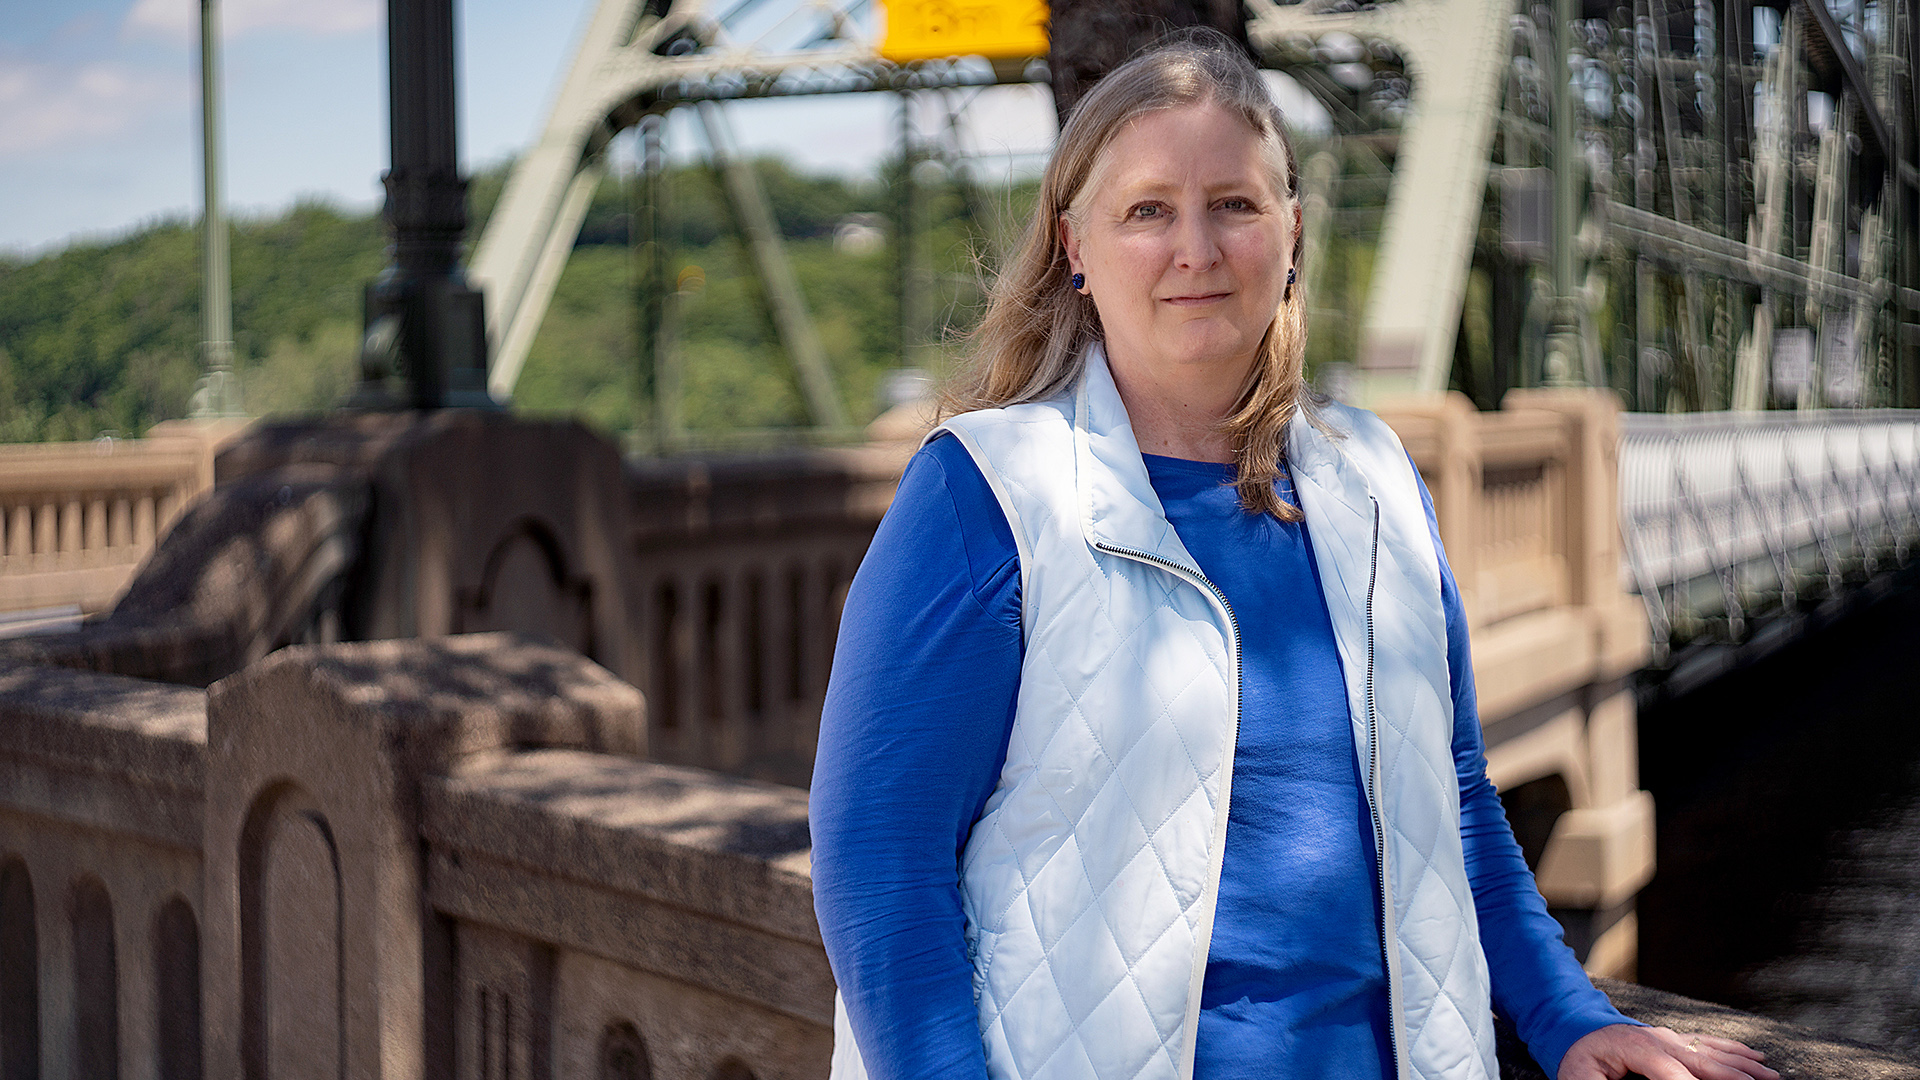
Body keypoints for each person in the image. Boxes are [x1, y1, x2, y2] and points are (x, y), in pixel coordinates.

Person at [809, 34, 1776, 1080]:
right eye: (1147, 210)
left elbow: (1447, 800)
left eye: (1235, 204)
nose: (1197, 248)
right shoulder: (987, 493)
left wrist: (1571, 1017)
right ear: (1073, 246)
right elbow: (880, 868)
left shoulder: (1375, 481)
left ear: (1291, 233)